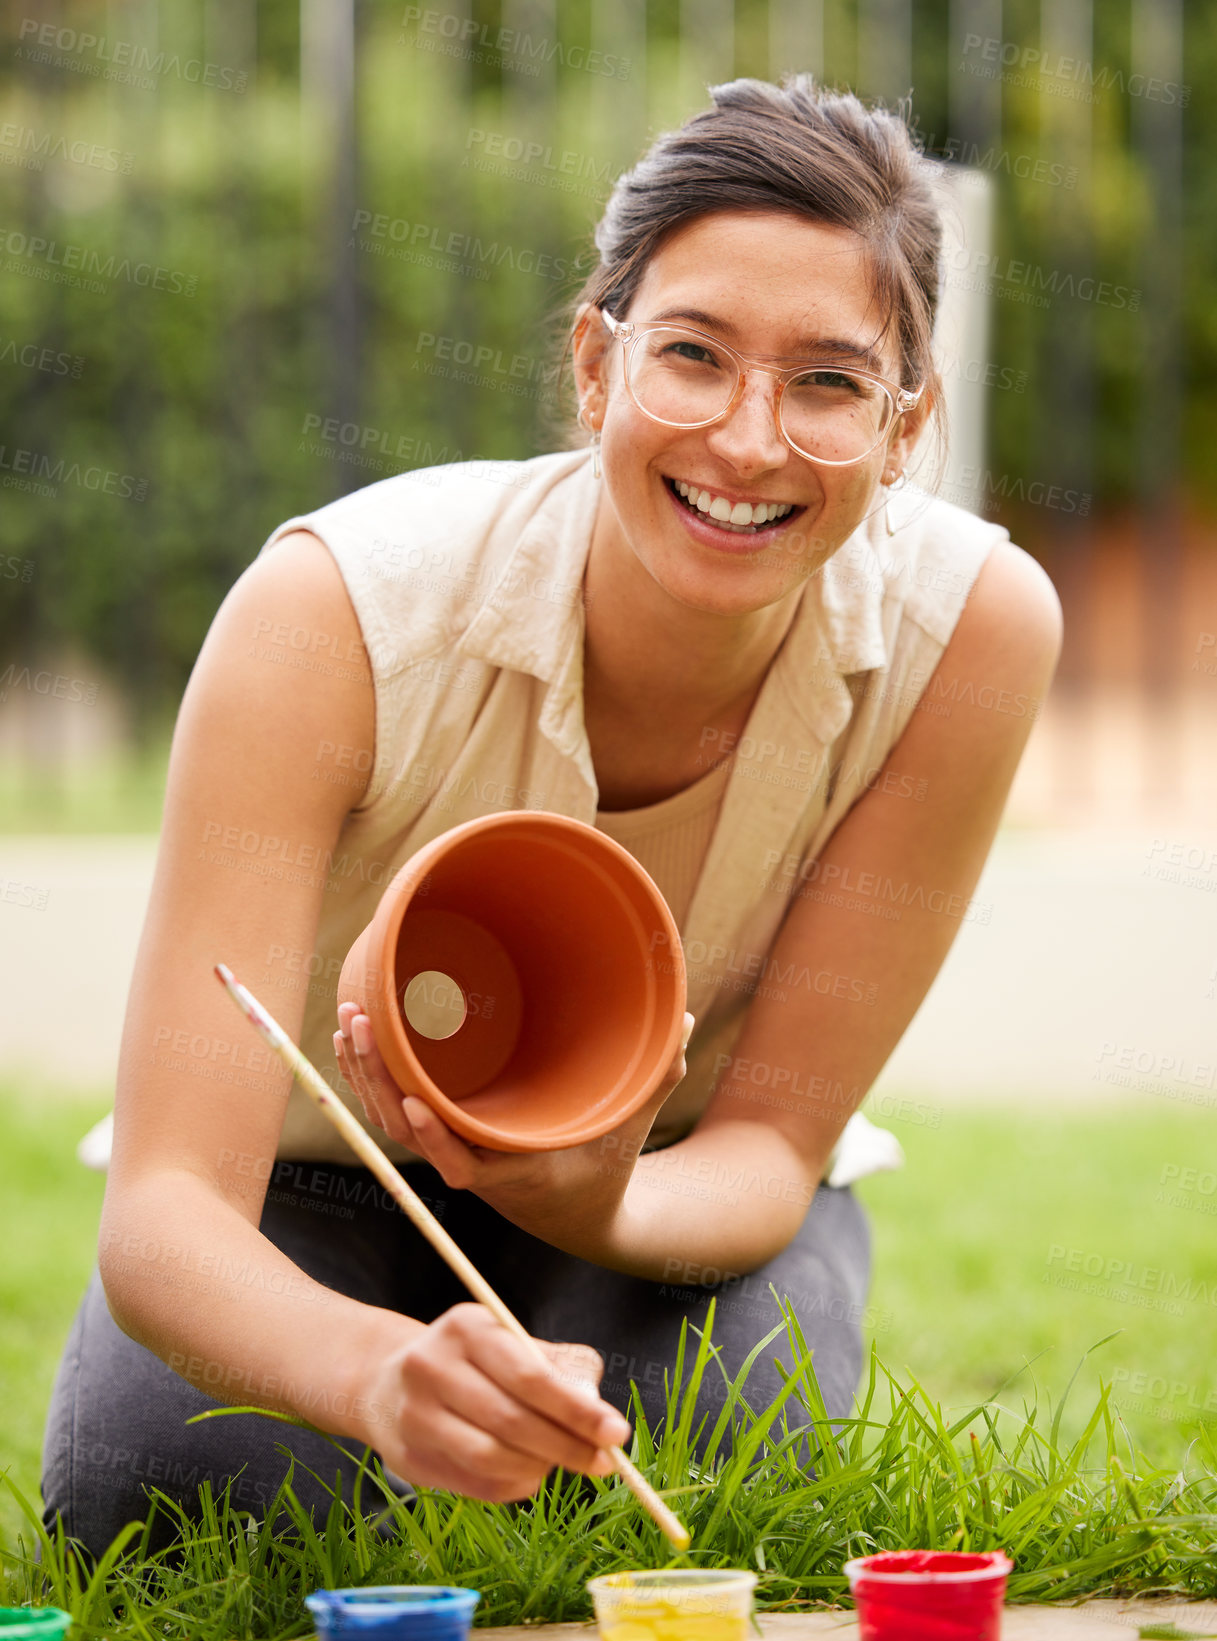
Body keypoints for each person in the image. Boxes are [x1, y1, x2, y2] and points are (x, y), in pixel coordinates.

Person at [42, 74, 1061, 1559]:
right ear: (594, 365)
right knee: (181, 1493)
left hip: (672, 1180)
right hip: (306, 1180)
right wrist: (377, 1374)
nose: (747, 439)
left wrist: (595, 1200)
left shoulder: (970, 629)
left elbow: (771, 1148)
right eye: (692, 355)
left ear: (907, 427)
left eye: (830, 383)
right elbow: (170, 1206)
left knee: (726, 1463)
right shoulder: (333, 609)